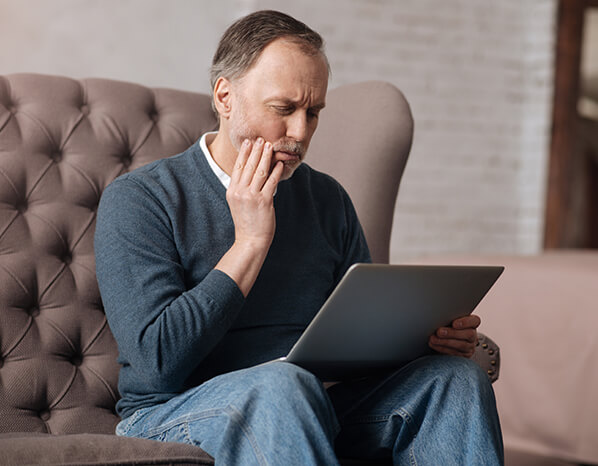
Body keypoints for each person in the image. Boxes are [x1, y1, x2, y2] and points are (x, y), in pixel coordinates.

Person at [95, 10, 503, 465]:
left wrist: (425, 342)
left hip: (309, 403)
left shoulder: (327, 198)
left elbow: (357, 340)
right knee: (281, 385)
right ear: (225, 97)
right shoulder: (140, 199)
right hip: (171, 412)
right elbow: (157, 364)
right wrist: (249, 241)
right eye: (283, 109)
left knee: (454, 379)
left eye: (313, 112)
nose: (300, 133)